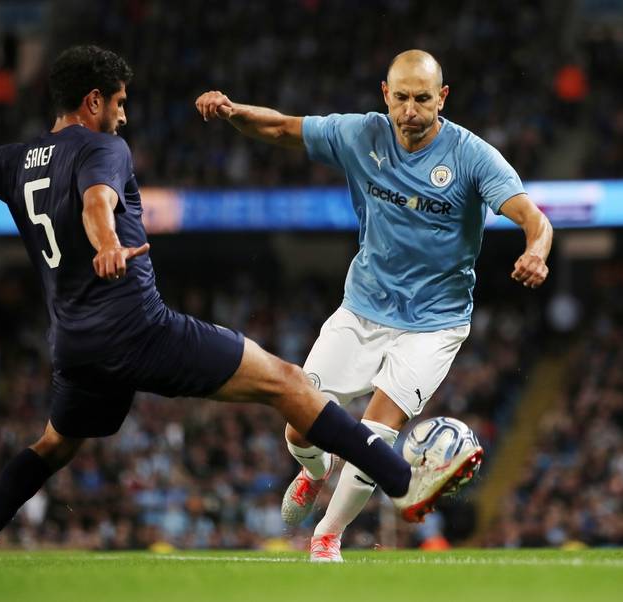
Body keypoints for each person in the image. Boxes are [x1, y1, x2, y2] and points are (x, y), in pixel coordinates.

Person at [0, 45, 480, 567]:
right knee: (287, 383)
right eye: (118, 103)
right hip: (137, 327)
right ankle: (402, 481)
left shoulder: (13, 162)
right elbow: (96, 201)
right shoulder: (102, 149)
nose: (124, 117)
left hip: (74, 345)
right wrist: (109, 242)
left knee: (55, 444)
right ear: (93, 101)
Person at [196, 49, 552, 562]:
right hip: (363, 307)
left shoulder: (472, 157)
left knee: (375, 431)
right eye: (401, 97)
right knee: (298, 423)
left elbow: (534, 218)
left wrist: (536, 252)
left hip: (435, 323)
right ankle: (314, 472)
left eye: (423, 99)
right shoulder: (360, 134)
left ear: (442, 98)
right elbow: (281, 129)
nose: (411, 109)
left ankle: (328, 535)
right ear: (386, 95)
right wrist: (232, 112)